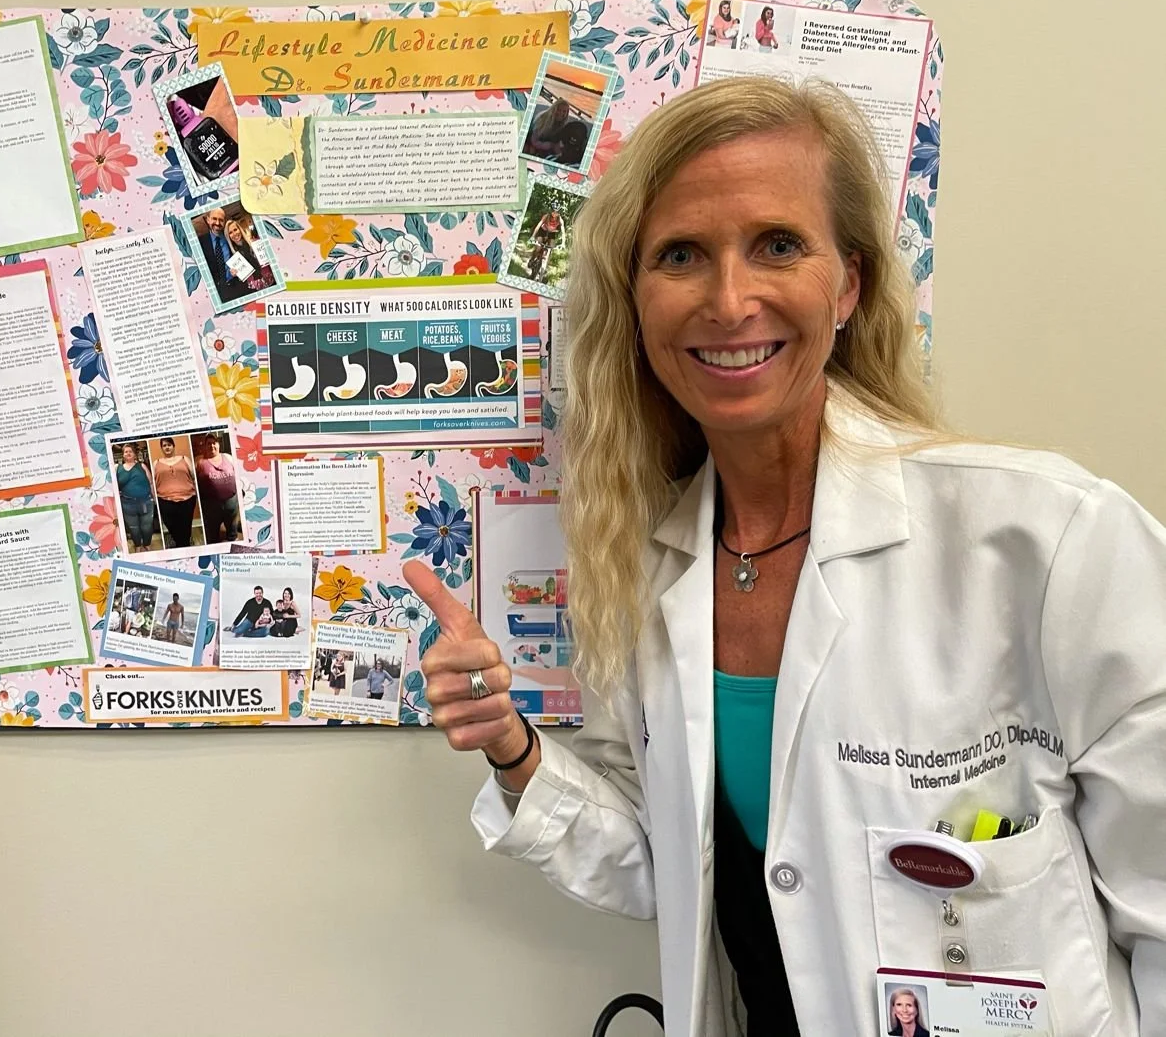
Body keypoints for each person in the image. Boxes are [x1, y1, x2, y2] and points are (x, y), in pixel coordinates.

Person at [403, 75, 1166, 1034]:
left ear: (847, 285)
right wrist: (511, 750)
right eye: (681, 255)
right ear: (636, 303)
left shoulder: (1048, 540)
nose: (730, 302)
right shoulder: (651, 573)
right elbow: (666, 868)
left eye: (777, 245)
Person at [193, 431, 241, 543]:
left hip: (232, 503)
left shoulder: (228, 457)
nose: (212, 445)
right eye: (208, 443)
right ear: (205, 446)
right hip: (211, 507)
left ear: (218, 444)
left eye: (214, 442)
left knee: (232, 534)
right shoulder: (199, 462)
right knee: (213, 536)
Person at [197, 208, 251, 304]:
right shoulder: (200, 242)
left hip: (238, 284)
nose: (217, 223)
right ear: (208, 220)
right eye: (214, 219)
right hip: (218, 291)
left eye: (221, 220)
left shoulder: (229, 237)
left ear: (224, 221)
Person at [152, 437, 197, 549]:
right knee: (172, 526)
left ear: (173, 446)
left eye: (169, 445)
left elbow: (193, 477)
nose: (167, 447)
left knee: (186, 526)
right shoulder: (156, 463)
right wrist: (155, 500)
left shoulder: (184, 459)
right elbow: (152, 482)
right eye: (164, 445)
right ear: (162, 448)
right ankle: (182, 544)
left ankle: (184, 546)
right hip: (165, 500)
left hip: (187, 499)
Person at [114, 443, 155, 552]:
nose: (128, 453)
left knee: (147, 527)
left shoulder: (142, 466)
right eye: (126, 451)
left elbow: (151, 483)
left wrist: (154, 498)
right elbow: (114, 487)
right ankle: (137, 545)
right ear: (123, 454)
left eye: (130, 451)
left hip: (146, 502)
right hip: (127, 504)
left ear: (134, 454)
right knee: (133, 528)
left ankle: (147, 544)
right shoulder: (117, 468)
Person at [225, 217, 277, 292]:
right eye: (230, 232)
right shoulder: (233, 256)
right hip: (255, 288)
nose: (234, 234)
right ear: (228, 236)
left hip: (272, 280)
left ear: (239, 229)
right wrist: (233, 273)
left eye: (235, 229)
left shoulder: (254, 243)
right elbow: (238, 276)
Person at [526, 208, 565, 279]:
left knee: (551, 248)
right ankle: (532, 259)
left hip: (552, 233)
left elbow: (563, 232)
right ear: (551, 211)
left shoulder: (560, 220)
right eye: (553, 212)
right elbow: (538, 226)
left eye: (556, 212)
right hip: (543, 231)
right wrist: (532, 237)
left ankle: (545, 267)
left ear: (559, 213)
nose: (554, 213)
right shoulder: (546, 216)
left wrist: (563, 243)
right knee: (538, 247)